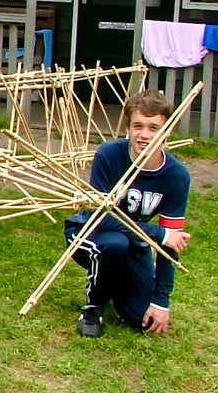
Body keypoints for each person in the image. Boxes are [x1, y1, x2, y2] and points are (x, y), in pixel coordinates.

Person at [66, 90, 191, 338]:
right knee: (115, 245)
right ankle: (93, 307)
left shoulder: (177, 175)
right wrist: (157, 233)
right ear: (128, 128)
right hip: (89, 232)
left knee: (140, 320)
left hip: (134, 240)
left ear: (167, 131)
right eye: (138, 126)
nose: (145, 135)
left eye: (154, 127)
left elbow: (171, 242)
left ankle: (115, 284)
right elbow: (100, 216)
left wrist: (161, 301)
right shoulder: (109, 155)